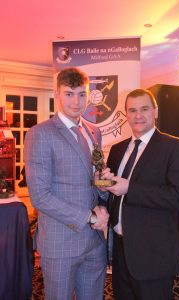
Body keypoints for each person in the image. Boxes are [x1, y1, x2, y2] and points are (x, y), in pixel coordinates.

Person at [24, 67, 109, 300]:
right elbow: (40, 196)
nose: (76, 101)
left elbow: (93, 178)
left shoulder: (94, 132)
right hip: (61, 242)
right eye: (69, 93)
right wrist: (90, 217)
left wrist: (103, 191)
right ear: (57, 94)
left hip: (94, 242)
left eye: (82, 94)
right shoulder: (39, 134)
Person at [100, 89, 179, 300]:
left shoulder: (175, 147)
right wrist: (105, 184)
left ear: (155, 111)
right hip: (121, 251)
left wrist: (130, 188)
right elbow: (114, 192)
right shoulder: (117, 149)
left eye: (144, 109)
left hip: (153, 255)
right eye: (132, 110)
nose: (138, 115)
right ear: (126, 114)